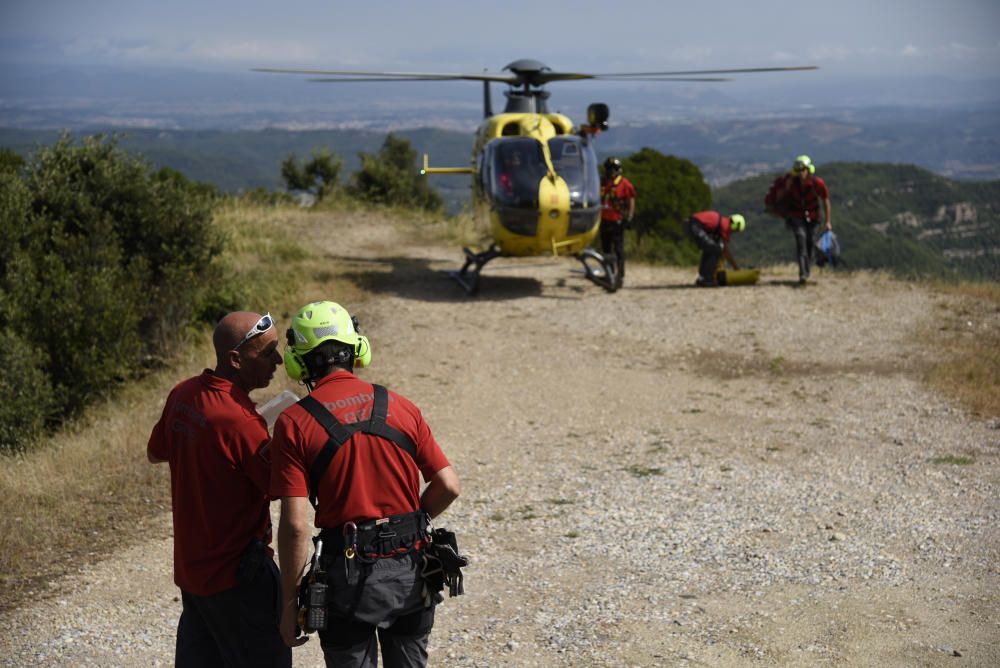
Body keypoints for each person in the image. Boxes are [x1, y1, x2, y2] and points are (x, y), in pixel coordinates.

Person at [270, 301, 460, 667]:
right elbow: (449, 485)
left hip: (345, 579)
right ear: (357, 348)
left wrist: (290, 605)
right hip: (412, 568)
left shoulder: (294, 423)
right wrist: (412, 522)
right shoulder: (400, 405)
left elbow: (295, 525)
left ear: (299, 361)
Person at [147, 311, 290, 668]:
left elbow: (156, 451)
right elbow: (280, 486)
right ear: (236, 359)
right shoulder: (241, 422)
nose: (278, 360)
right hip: (239, 579)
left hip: (193, 575)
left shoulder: (184, 393)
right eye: (268, 352)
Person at [764, 154, 832, 284]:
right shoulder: (790, 183)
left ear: (809, 169)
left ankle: (807, 269)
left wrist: (828, 221)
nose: (801, 173)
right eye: (799, 170)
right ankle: (803, 274)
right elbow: (779, 199)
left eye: (803, 170)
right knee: (801, 240)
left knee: (810, 242)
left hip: (813, 218)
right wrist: (786, 188)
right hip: (795, 217)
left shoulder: (817, 183)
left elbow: (825, 200)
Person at [599, 157, 637, 287]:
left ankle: (620, 275)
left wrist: (630, 217)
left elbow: (631, 200)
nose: (611, 172)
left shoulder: (625, 184)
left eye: (613, 169)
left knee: (618, 249)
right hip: (604, 220)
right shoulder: (602, 182)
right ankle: (609, 273)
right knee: (606, 249)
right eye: (609, 169)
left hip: (617, 221)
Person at [684, 211, 746, 287]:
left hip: (690, 224)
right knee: (715, 250)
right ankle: (707, 279)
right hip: (695, 226)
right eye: (735, 230)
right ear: (735, 225)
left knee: (710, 248)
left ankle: (702, 278)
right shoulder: (725, 226)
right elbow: (725, 251)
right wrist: (736, 268)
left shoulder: (722, 222)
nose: (732, 232)